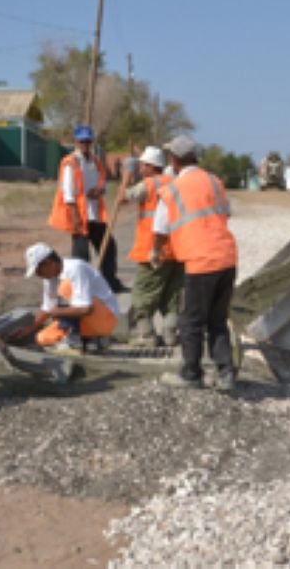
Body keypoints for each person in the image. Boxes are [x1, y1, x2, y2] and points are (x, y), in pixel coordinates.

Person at [152, 135, 238, 391]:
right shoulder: (214, 182)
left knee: (191, 321)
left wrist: (156, 252)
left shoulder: (173, 189)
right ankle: (225, 373)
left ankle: (191, 373)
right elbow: (225, 213)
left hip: (201, 262)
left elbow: (160, 227)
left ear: (174, 159)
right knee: (217, 320)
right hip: (227, 257)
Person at [118, 145, 185, 347]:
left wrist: (125, 178)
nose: (140, 168)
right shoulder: (177, 184)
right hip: (177, 251)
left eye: (142, 165)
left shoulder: (148, 185)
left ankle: (146, 335)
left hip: (153, 250)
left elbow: (122, 198)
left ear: (150, 167)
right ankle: (170, 335)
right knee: (171, 295)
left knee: (142, 293)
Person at [47, 125, 127, 292]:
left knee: (108, 247)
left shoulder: (95, 162)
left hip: (94, 214)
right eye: (82, 141)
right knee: (82, 256)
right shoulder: (70, 162)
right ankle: (81, 288)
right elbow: (68, 193)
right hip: (79, 216)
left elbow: (102, 181)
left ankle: (109, 283)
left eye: (88, 141)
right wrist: (75, 217)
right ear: (76, 141)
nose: (85, 143)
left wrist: (100, 190)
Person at [21, 242, 119, 354]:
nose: (38, 275)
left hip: (105, 318)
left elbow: (85, 308)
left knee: (65, 287)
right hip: (85, 319)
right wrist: (30, 329)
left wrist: (58, 312)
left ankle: (76, 340)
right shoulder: (49, 278)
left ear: (49, 263)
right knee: (42, 338)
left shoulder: (75, 268)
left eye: (38, 271)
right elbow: (47, 307)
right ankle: (90, 340)